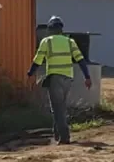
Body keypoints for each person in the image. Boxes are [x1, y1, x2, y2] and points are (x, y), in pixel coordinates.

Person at [27, 16, 92, 145]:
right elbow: (80, 60)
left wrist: (30, 73)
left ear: (50, 29)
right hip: (68, 78)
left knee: (57, 109)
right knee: (60, 107)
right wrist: (87, 77)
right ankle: (57, 134)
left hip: (55, 78)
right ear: (61, 29)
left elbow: (38, 60)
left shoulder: (47, 41)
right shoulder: (70, 42)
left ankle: (65, 137)